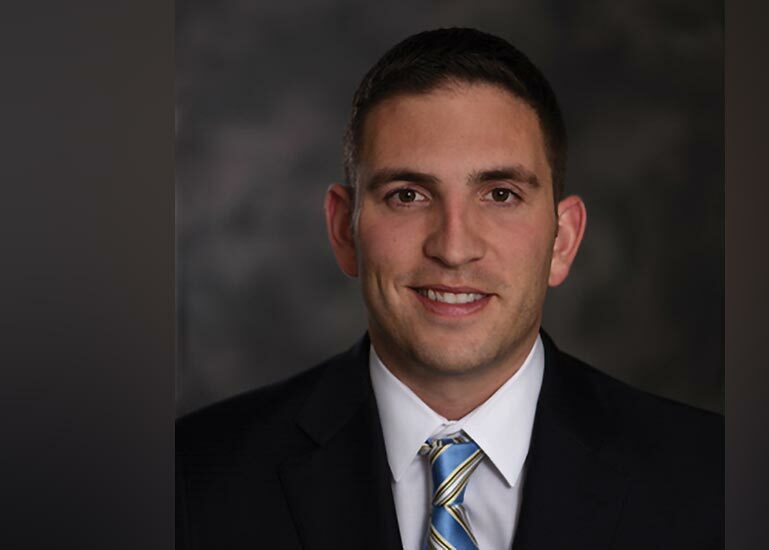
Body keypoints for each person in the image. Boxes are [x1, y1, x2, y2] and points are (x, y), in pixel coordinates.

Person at [176, 27, 723, 550]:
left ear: (563, 240)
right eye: (408, 195)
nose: (454, 248)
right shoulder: (191, 479)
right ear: (345, 230)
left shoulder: (714, 481)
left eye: (501, 194)